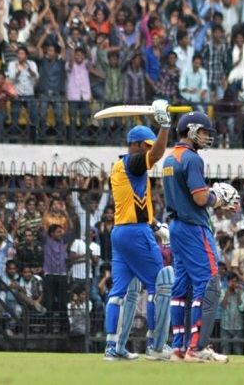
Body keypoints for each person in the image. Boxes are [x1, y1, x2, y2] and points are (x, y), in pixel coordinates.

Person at [162, 111, 240, 363]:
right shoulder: (192, 159)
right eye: (204, 131)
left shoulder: (168, 159)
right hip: (194, 227)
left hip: (176, 227)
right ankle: (198, 347)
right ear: (192, 130)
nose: (207, 136)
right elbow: (199, 198)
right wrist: (218, 199)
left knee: (180, 288)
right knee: (209, 284)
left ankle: (178, 348)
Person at [104, 100, 174, 362]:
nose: (150, 151)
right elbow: (157, 155)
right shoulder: (133, 162)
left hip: (121, 232)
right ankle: (156, 346)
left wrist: (155, 225)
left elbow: (137, 205)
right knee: (160, 284)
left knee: (119, 293)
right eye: (145, 146)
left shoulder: (121, 166)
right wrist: (165, 124)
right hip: (134, 233)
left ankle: (113, 348)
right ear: (134, 145)